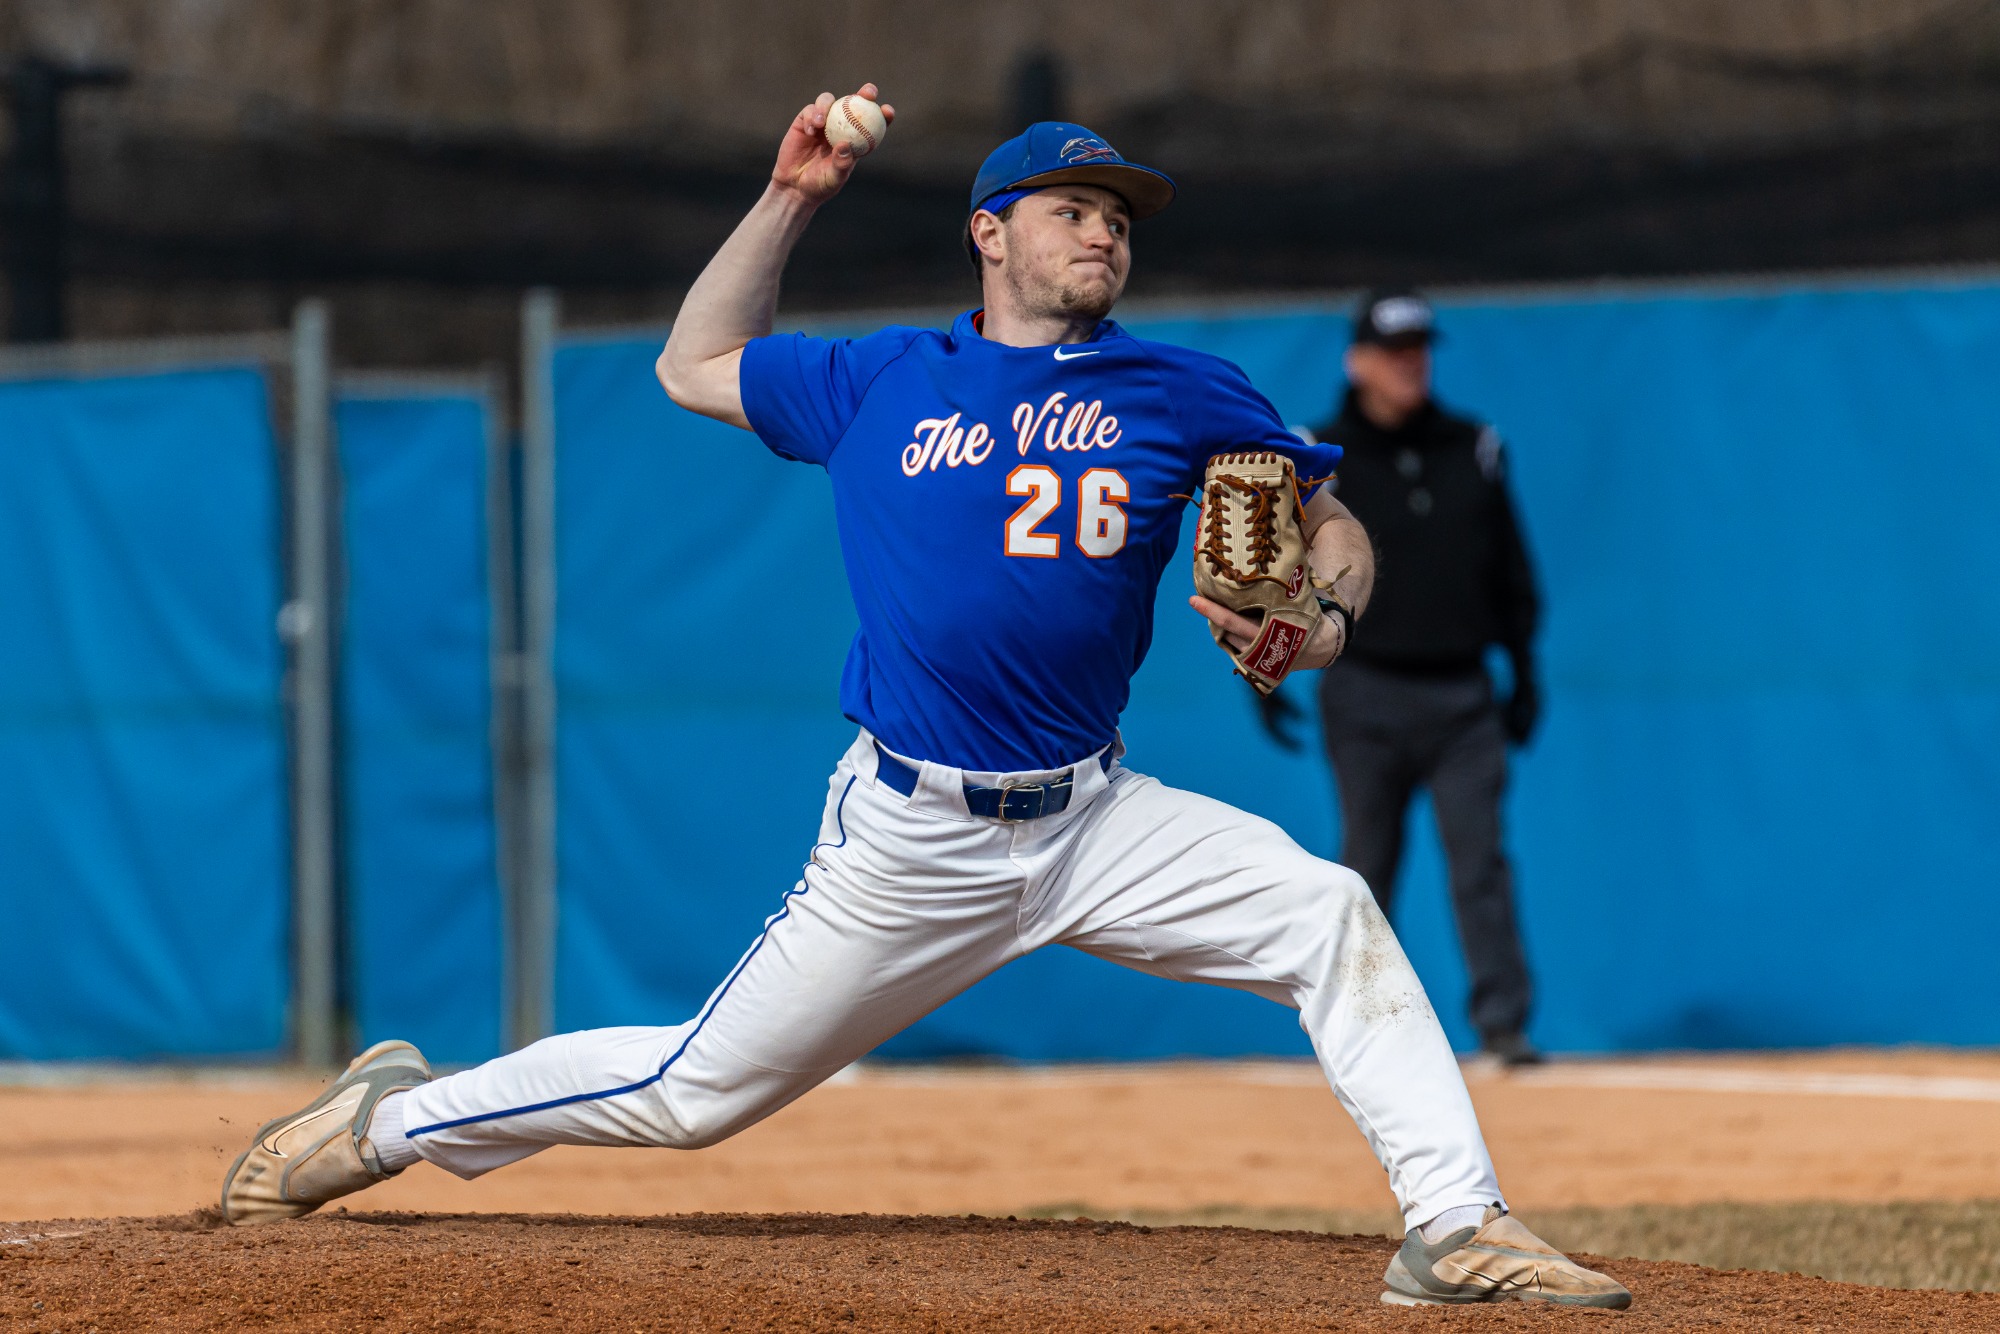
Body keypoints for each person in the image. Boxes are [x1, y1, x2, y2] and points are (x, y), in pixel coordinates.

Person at [218, 90, 1627, 1310]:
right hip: (913, 834)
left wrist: (1323, 618)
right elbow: (690, 364)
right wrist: (790, 196)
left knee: (1328, 910)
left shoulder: (1185, 388)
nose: (1104, 233)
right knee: (692, 1093)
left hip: (1095, 813)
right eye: (1072, 207)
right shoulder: (885, 376)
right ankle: (391, 1119)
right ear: (990, 230)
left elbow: (1335, 524)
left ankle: (1454, 1227)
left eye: (1120, 217)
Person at [1263, 287, 1544, 1066]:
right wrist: (1268, 675)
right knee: (1364, 867)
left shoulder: (1474, 446)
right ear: (1358, 362)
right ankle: (1363, 1031)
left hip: (1462, 694)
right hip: (1365, 693)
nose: (1409, 364)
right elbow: (1275, 578)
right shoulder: (1317, 452)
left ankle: (1503, 1027)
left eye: (1419, 348)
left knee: (1480, 862)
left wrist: (1524, 672)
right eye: (1393, 351)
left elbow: (1512, 573)